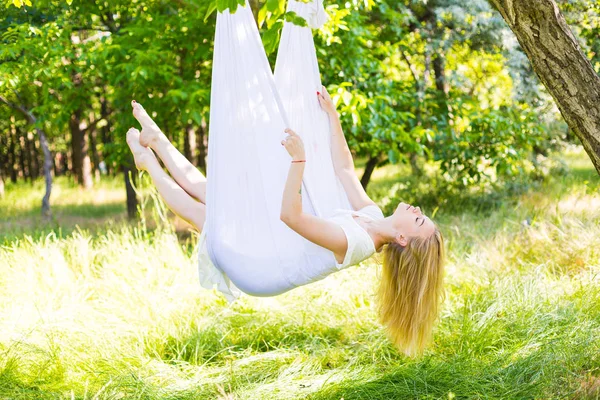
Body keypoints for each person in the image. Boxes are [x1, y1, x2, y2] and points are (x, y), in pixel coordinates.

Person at [126, 87, 445, 355]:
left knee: (206, 214)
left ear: (403, 239)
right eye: (422, 214)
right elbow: (345, 169)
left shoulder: (357, 244)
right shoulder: (372, 216)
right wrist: (333, 116)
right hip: (274, 244)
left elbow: (291, 216)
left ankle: (148, 162)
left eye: (419, 220)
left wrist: (299, 160)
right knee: (217, 194)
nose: (417, 210)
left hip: (262, 270)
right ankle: (156, 141)